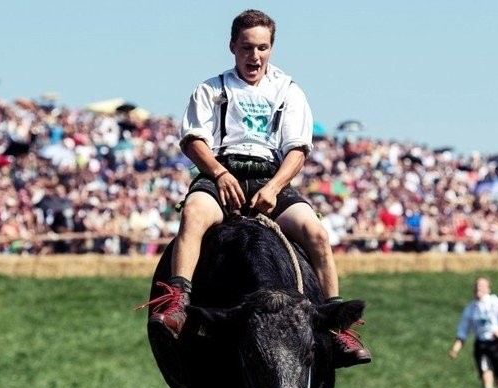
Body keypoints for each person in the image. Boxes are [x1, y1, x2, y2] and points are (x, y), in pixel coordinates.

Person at [146, 9, 370, 368]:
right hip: (223, 171)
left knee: (316, 232)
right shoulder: (211, 89)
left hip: (270, 177)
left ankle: (335, 326)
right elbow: (192, 140)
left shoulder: (289, 91)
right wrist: (219, 174)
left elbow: (297, 149)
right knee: (193, 214)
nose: (255, 56)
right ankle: (179, 304)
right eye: (247, 47)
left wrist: (275, 187)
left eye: (262, 48)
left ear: (272, 49)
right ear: (232, 46)